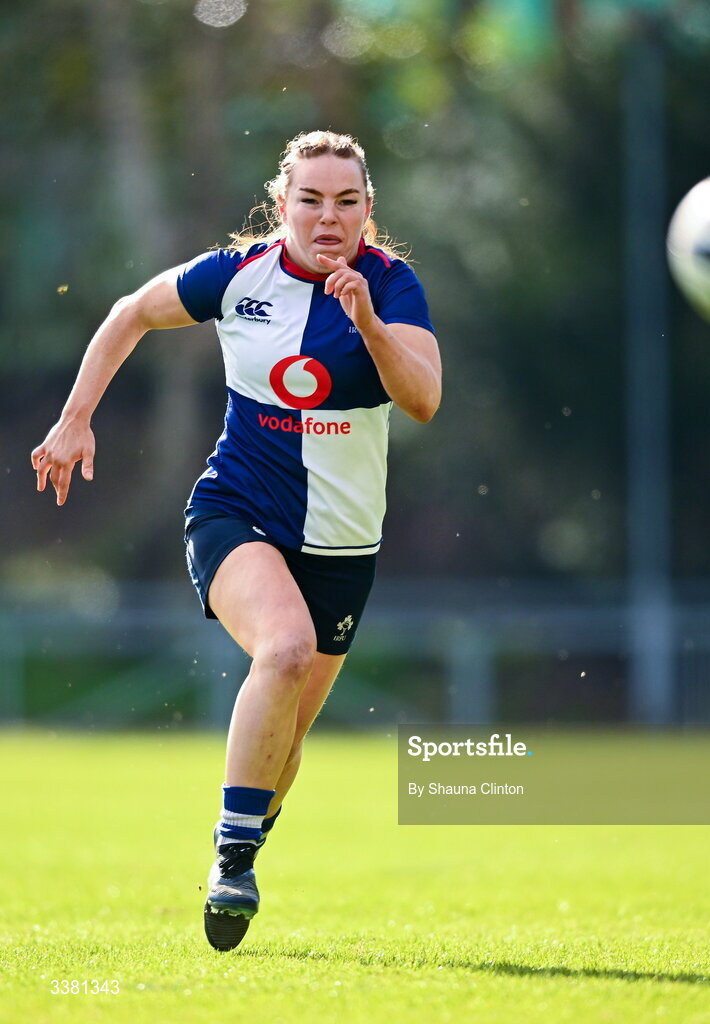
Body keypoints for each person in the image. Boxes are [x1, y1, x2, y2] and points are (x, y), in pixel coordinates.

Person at [31, 130, 441, 952]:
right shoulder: (238, 276)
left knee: (287, 739)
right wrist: (76, 418)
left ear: (368, 209)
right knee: (282, 650)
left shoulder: (393, 288)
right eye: (311, 199)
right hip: (236, 512)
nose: (329, 218)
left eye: (346, 201)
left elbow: (423, 398)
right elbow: (129, 313)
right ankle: (232, 857)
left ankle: (241, 845)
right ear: (281, 203)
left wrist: (366, 323)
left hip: (343, 547)